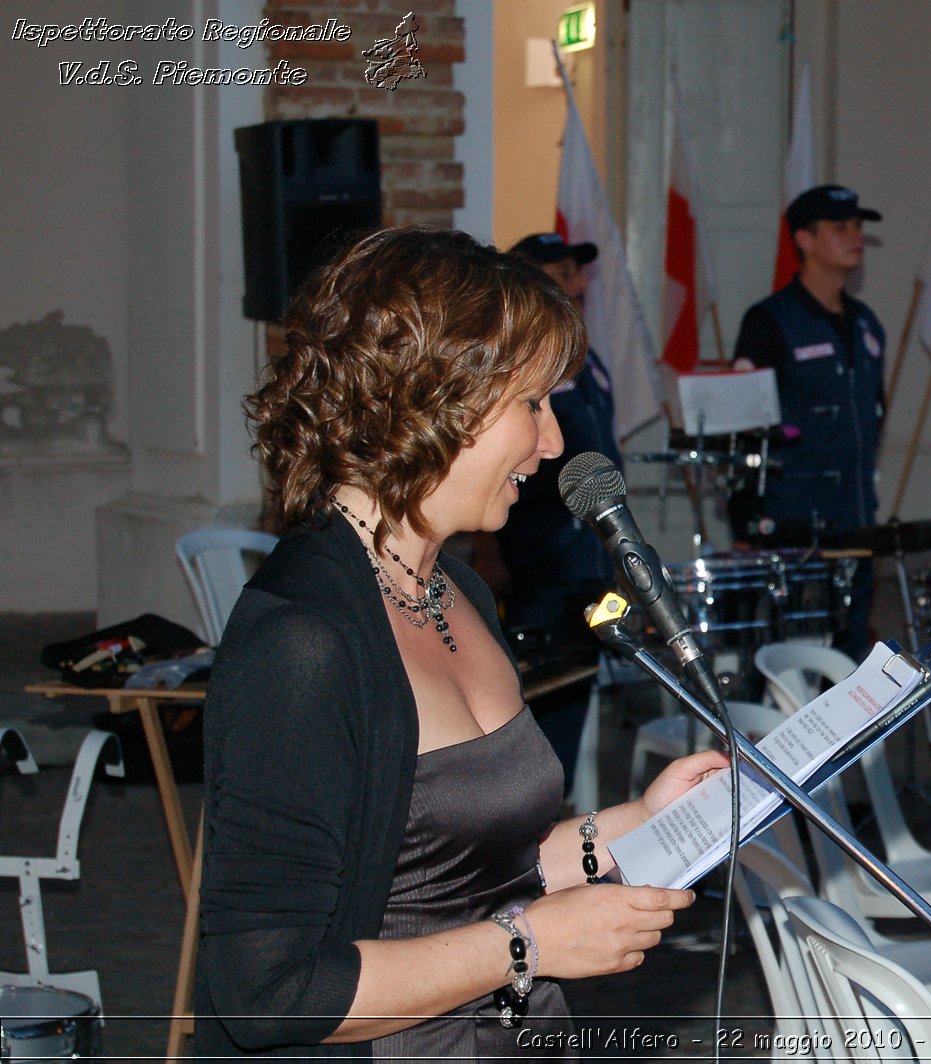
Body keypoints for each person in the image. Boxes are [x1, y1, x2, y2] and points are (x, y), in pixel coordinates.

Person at [196, 228, 727, 1058]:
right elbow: (265, 993)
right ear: (435, 396)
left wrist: (637, 824)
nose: (553, 445)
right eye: (532, 405)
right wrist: (528, 947)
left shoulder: (457, 589)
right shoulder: (301, 642)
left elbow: (470, 871)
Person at [472, 232, 621, 792]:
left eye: (577, 273)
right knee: (539, 713)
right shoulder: (520, 364)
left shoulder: (590, 362)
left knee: (575, 701)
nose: (578, 285)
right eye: (561, 274)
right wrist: (489, 553)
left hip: (589, 562)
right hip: (542, 564)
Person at [730, 184, 887, 657]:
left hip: (856, 523)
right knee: (785, 658)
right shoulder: (769, 321)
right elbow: (742, 432)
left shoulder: (866, 324)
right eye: (840, 227)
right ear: (804, 239)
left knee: (848, 658)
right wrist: (744, 523)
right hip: (792, 527)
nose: (855, 237)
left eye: (858, 227)